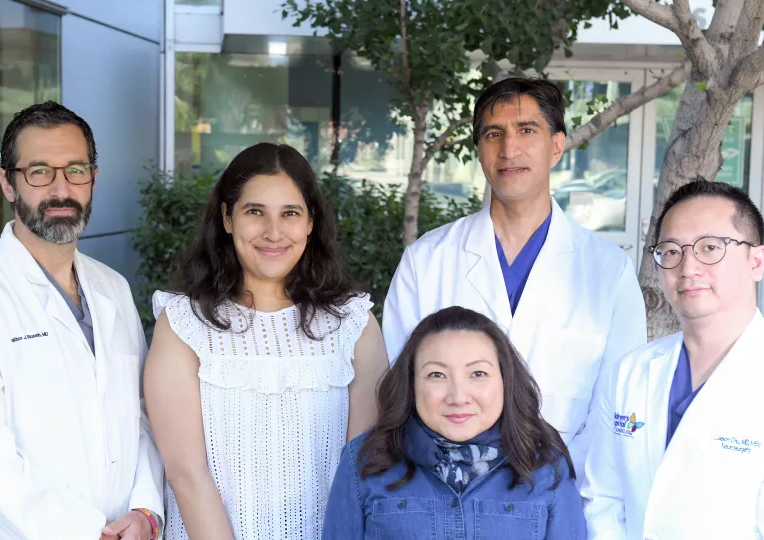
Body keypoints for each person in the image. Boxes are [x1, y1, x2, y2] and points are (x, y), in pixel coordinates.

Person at [0, 101, 164, 539]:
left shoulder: (114, 289)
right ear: (7, 183)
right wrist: (92, 533)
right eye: (39, 172)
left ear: (93, 177)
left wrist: (146, 510)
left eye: (75, 169)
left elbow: (142, 416)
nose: (61, 188)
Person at [382, 77, 647, 484]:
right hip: (443, 494)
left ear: (557, 145)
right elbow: (401, 394)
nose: (509, 149)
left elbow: (617, 408)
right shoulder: (427, 260)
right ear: (479, 150)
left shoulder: (608, 270)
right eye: (494, 134)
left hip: (565, 491)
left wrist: (565, 492)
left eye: (526, 130)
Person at [143, 142, 389, 539]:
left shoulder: (354, 324)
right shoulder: (183, 324)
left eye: (290, 213)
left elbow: (361, 471)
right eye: (255, 212)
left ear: (310, 221)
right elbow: (186, 473)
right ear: (227, 218)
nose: (273, 233)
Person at [581, 179, 764, 539]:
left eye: (710, 247)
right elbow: (603, 500)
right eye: (672, 250)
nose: (688, 267)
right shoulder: (630, 373)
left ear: (756, 261)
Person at [323, 306, 586, 540]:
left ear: (505, 381)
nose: (458, 397)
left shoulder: (545, 465)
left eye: (478, 373)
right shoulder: (365, 461)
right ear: (412, 383)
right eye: (436, 374)